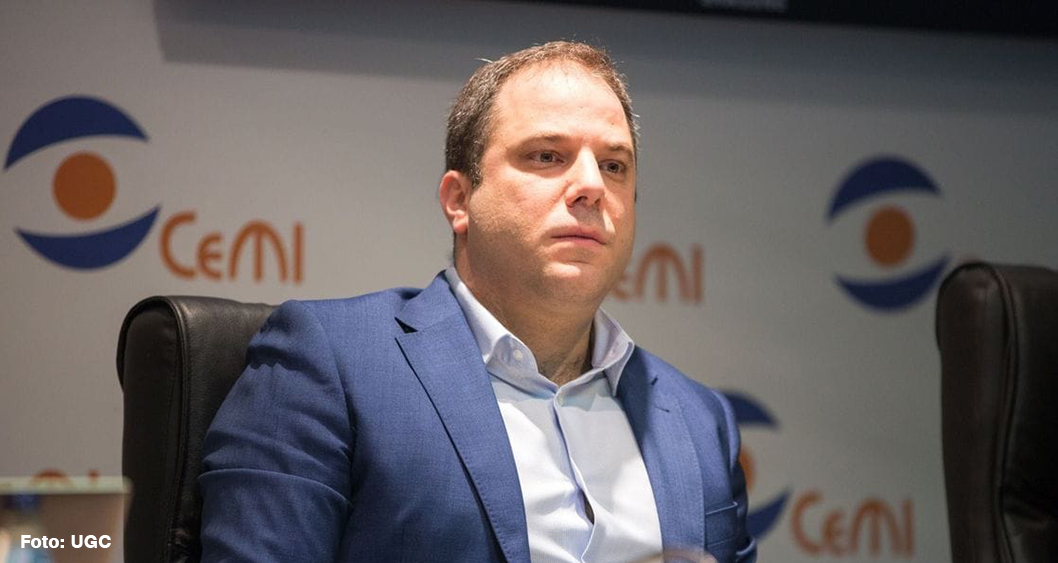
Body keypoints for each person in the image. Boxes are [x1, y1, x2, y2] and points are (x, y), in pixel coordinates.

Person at [199, 41, 756, 563]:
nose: (592, 185)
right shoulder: (331, 364)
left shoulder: (699, 420)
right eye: (547, 155)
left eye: (614, 165)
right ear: (460, 200)